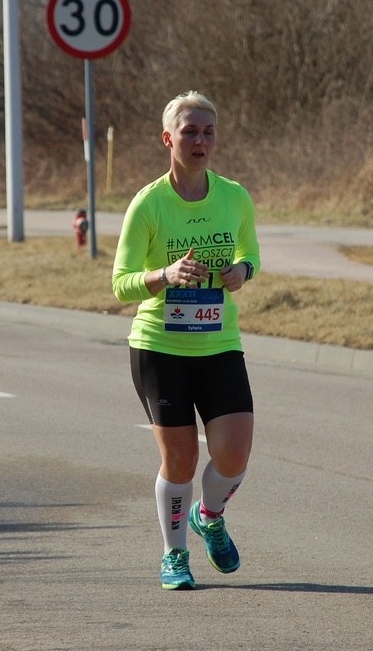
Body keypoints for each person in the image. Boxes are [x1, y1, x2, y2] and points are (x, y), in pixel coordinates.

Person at [111, 91, 261, 590]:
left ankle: (209, 515)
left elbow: (251, 255)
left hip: (219, 343)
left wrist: (242, 271)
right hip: (160, 347)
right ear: (168, 139)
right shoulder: (148, 204)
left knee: (234, 454)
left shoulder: (234, 197)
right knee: (181, 460)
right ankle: (174, 555)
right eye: (190, 131)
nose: (200, 141)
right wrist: (166, 274)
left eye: (208, 132)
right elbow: (121, 284)